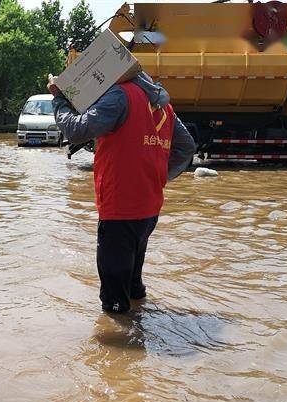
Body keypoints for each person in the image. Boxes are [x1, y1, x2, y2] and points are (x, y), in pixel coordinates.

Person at [48, 71, 196, 315]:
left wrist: (59, 99)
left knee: (115, 304)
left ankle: (124, 345)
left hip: (120, 208)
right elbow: (187, 147)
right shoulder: (162, 105)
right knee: (133, 284)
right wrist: (157, 176)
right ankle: (139, 322)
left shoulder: (120, 96)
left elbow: (76, 130)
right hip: (149, 207)